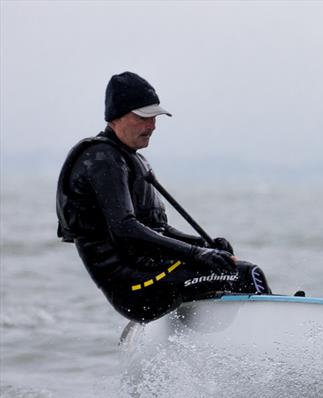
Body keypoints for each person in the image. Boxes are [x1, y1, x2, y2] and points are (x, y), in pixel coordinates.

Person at [56, 71, 271, 323]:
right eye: (143, 118)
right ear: (117, 116)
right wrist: (196, 253)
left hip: (151, 274)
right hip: (134, 289)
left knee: (226, 266)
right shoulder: (102, 158)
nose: (152, 126)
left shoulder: (130, 158)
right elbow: (124, 229)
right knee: (248, 274)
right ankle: (274, 339)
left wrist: (204, 245)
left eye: (155, 118)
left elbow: (157, 229)